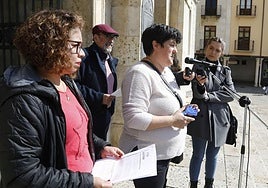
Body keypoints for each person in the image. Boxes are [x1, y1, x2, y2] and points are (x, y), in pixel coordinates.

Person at [0, 9, 124, 188]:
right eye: (76, 45)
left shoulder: (67, 82)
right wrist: (88, 182)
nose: (82, 53)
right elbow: (23, 176)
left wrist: (100, 147)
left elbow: (75, 131)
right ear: (51, 46)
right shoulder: (23, 100)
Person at [118, 23, 198, 188]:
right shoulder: (139, 73)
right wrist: (172, 120)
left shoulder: (165, 71)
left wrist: (183, 111)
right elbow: (133, 118)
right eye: (172, 45)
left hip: (161, 155)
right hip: (147, 156)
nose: (175, 50)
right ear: (155, 45)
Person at [187, 37, 235, 188]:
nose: (213, 52)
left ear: (222, 53)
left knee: (213, 155)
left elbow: (231, 94)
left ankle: (209, 184)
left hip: (220, 117)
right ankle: (193, 184)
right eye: (211, 48)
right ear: (206, 48)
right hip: (200, 114)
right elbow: (197, 92)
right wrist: (202, 90)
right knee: (197, 154)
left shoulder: (225, 71)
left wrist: (209, 96)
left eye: (218, 50)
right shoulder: (197, 67)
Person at [75, 24, 119, 141]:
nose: (111, 41)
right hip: (88, 112)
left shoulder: (110, 60)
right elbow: (75, 86)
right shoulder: (84, 57)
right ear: (96, 37)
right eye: (108, 37)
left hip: (105, 113)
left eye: (113, 37)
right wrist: (99, 98)